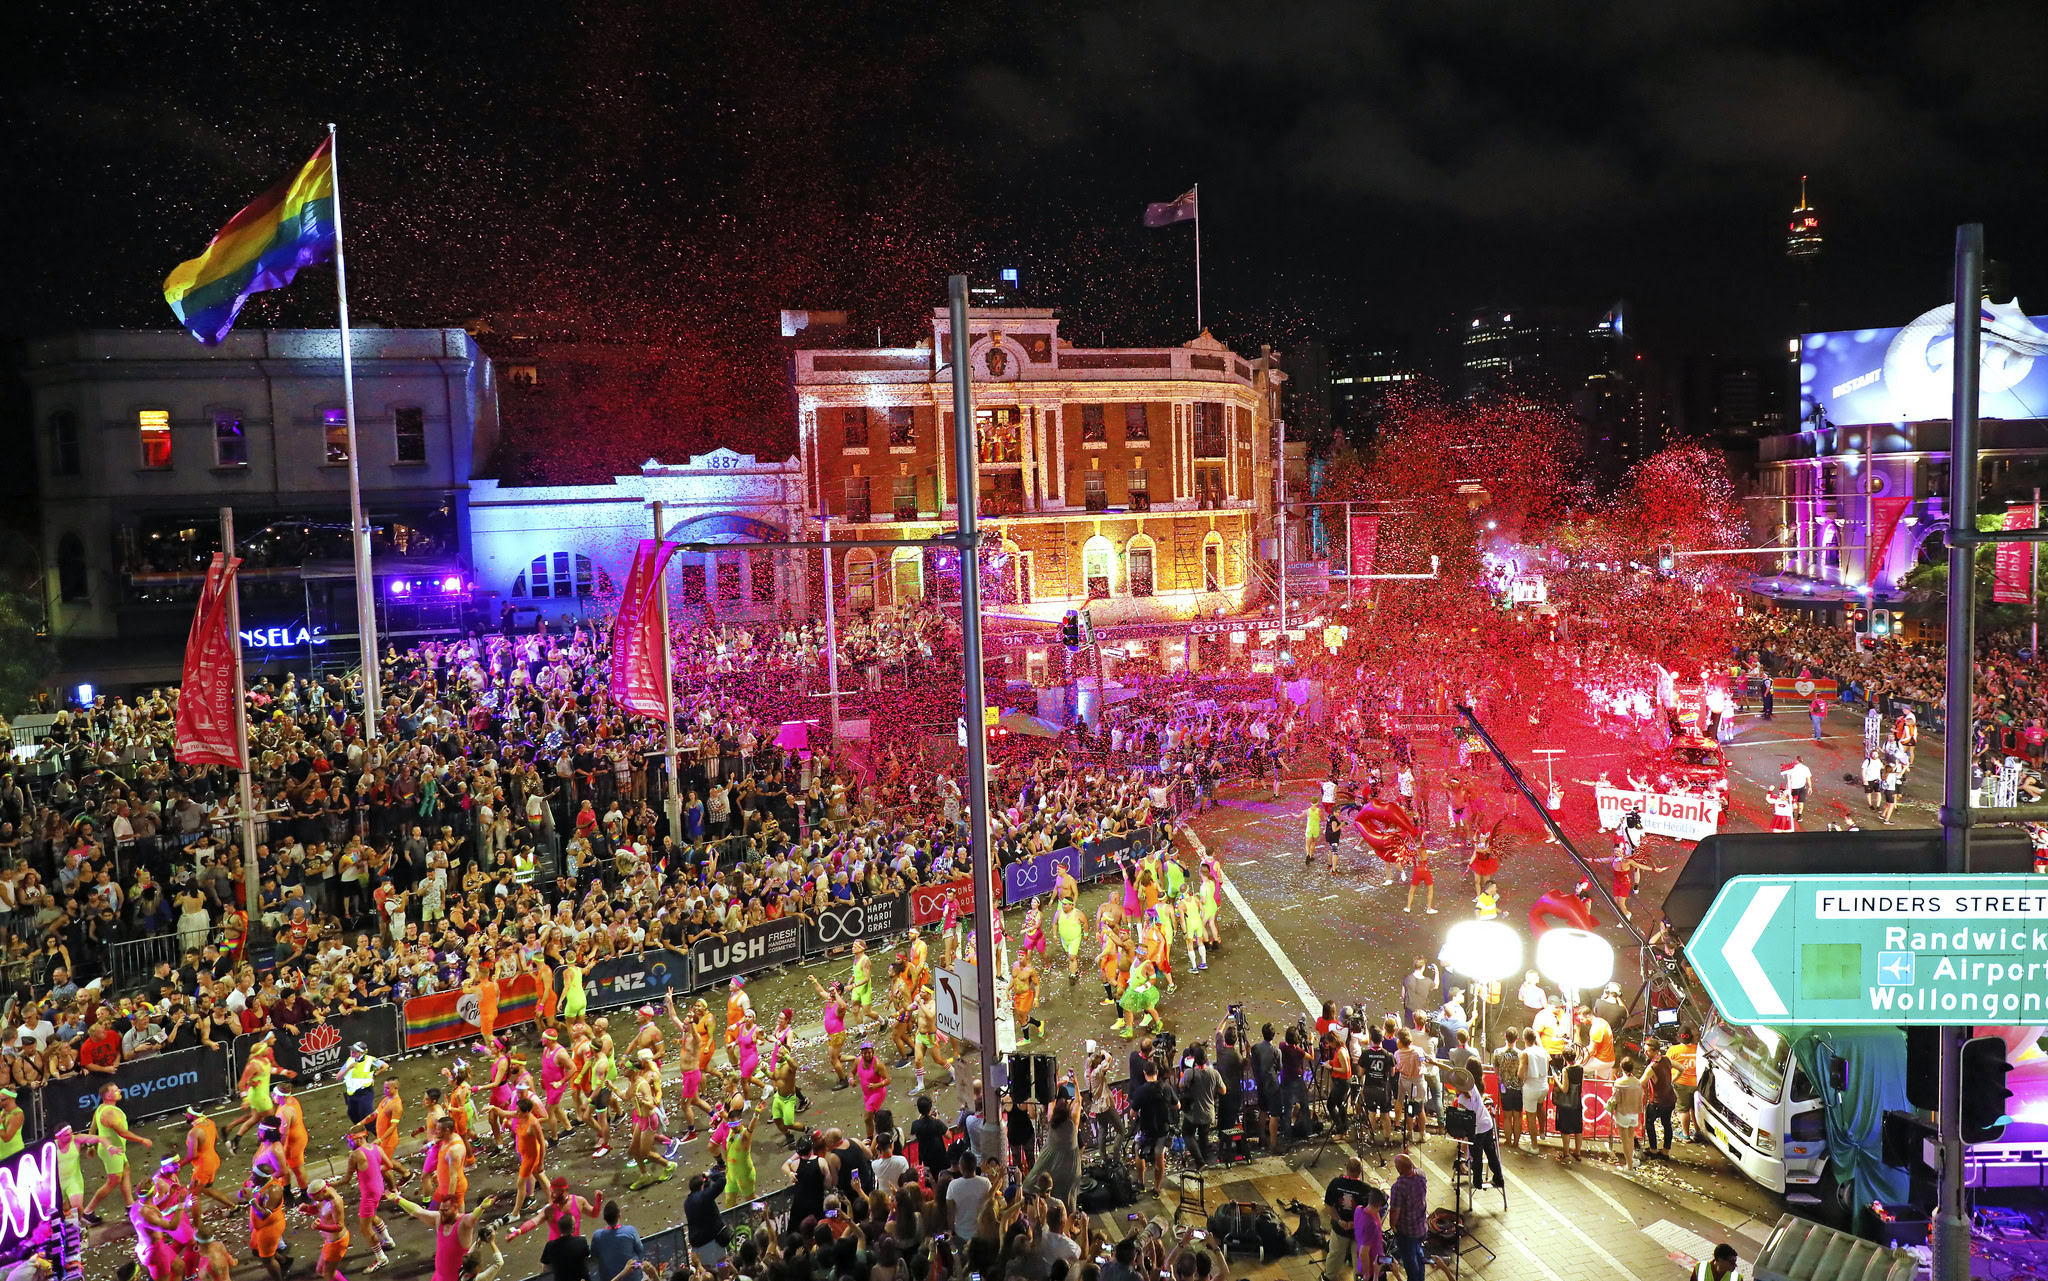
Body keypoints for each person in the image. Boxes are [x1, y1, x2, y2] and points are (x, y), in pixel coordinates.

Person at [85, 1081, 151, 1216]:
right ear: (108, 1096)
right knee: (113, 1181)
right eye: (115, 1090)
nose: (119, 1091)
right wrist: (142, 1140)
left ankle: (130, 1205)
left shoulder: (101, 1108)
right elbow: (123, 1133)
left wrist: (90, 1145)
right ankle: (88, 1211)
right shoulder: (110, 1113)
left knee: (126, 1170)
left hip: (115, 1149)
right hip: (112, 1151)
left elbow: (93, 1128)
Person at [1320, 1156, 1373, 1281]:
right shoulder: (1366, 1189)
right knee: (1359, 1259)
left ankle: (1329, 1277)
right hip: (1359, 1232)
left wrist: (1339, 1220)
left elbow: (1328, 1205)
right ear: (1360, 1170)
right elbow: (1370, 1214)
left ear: (1346, 1167)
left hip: (1340, 1229)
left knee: (1335, 1255)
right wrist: (1355, 1223)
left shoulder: (1335, 1183)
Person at [1129, 1059, 1175, 1194]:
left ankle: (1141, 1183)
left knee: (1139, 1151)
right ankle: (1157, 1187)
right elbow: (1177, 1105)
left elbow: (1132, 1114)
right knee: (1159, 1156)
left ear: (1145, 1073)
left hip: (1146, 1130)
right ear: (1157, 1072)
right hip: (1162, 1129)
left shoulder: (1140, 1091)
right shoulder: (1166, 1088)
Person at [1454, 1069, 1502, 1190]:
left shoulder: (1462, 1100)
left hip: (1476, 1129)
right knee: (1491, 1153)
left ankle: (1477, 1181)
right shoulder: (1473, 1087)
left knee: (1476, 1155)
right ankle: (1498, 1177)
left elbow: (1464, 1120)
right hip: (1487, 1124)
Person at [1386, 1153, 1428, 1281]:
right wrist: (1408, 1159)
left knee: (1410, 1260)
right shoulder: (1421, 1176)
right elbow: (1415, 1168)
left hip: (1407, 1231)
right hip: (1421, 1227)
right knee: (1419, 1253)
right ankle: (1421, 1277)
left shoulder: (1398, 1187)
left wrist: (1392, 1225)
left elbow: (1395, 1210)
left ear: (1398, 1169)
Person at [1551, 1046, 1585, 1163]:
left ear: (1565, 1058)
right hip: (1577, 1102)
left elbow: (1565, 1089)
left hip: (1566, 1104)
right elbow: (1581, 1084)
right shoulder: (1581, 1068)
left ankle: (1566, 1152)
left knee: (1565, 1128)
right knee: (1577, 1128)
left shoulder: (1566, 1070)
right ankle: (1578, 1152)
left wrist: (1556, 1079)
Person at [1610, 1055, 1644, 1168]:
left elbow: (1616, 1099)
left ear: (1621, 1067)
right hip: (1634, 1114)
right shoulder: (1638, 1082)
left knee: (1625, 1141)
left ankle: (1629, 1166)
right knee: (1630, 1138)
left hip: (1622, 1113)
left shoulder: (1619, 1083)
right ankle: (1630, 1160)